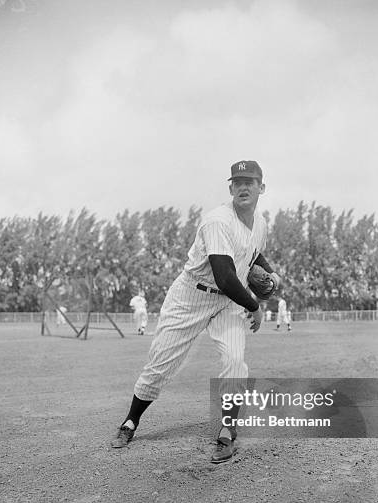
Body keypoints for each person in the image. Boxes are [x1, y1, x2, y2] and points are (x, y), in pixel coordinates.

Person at [111, 160, 280, 463]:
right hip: (191, 296)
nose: (243, 187)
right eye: (237, 182)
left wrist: (270, 272)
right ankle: (130, 421)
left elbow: (253, 252)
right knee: (161, 364)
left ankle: (228, 432)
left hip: (227, 302)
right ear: (230, 188)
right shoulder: (218, 220)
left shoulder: (261, 224)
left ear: (261, 188)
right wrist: (254, 306)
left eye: (250, 182)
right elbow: (225, 277)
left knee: (234, 359)